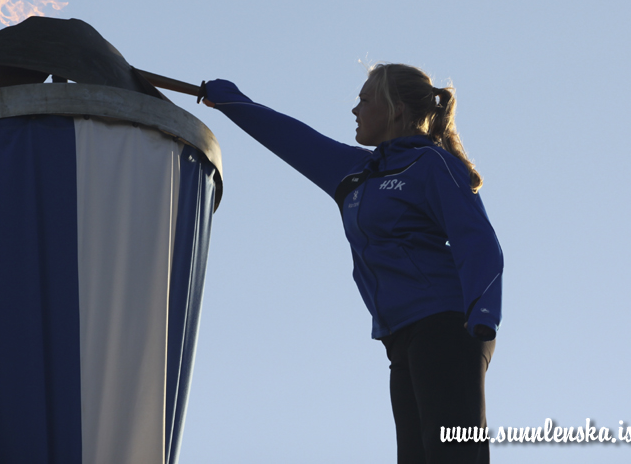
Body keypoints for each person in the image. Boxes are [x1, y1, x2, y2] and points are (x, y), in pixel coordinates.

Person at [201, 63, 502, 463]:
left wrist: (483, 313)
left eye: (364, 100)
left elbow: (476, 238)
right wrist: (231, 102)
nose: (355, 110)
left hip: (448, 324)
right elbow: (291, 137)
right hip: (400, 338)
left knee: (453, 456)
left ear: (395, 109)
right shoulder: (355, 172)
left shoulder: (431, 163)